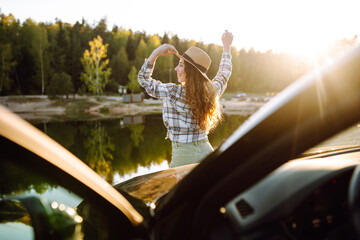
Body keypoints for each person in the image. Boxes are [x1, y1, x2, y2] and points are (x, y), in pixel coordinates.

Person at [138, 30, 233, 167]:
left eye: (181, 65)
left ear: (191, 71)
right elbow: (224, 72)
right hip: (206, 151)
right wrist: (226, 48)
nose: (176, 68)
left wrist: (156, 52)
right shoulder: (211, 91)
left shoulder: (173, 92)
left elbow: (143, 79)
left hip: (183, 156)